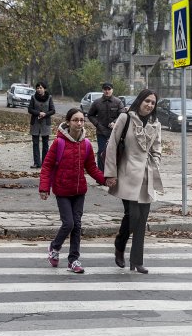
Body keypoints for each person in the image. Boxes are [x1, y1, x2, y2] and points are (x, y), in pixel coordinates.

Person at [38, 108, 109, 274]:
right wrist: (44, 188)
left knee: (77, 226)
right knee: (68, 223)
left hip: (79, 191)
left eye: (82, 120)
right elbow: (47, 166)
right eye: (75, 120)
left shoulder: (86, 144)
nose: (79, 123)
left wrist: (105, 180)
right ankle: (55, 247)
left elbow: (91, 167)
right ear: (68, 122)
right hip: (62, 190)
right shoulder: (59, 142)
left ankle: (73, 260)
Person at [104, 89, 163, 274]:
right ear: (140, 101)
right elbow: (112, 145)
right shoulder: (126, 118)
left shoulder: (155, 123)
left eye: (153, 102)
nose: (150, 105)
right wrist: (110, 173)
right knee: (133, 216)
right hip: (126, 173)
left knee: (142, 218)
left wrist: (155, 162)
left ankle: (137, 261)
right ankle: (120, 245)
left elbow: (157, 147)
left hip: (146, 175)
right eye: (147, 101)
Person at [88, 82, 125, 171]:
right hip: (101, 132)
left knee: (115, 152)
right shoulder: (97, 102)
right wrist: (97, 124)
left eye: (109, 89)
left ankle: (114, 172)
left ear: (112, 90)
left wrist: (115, 122)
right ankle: (101, 173)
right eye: (105, 89)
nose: (107, 91)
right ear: (102, 90)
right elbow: (90, 115)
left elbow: (123, 114)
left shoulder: (118, 102)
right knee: (101, 151)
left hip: (115, 132)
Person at [28, 82, 56, 168]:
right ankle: (37, 163)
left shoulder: (49, 98)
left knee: (45, 144)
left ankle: (45, 163)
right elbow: (30, 109)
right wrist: (38, 113)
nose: (39, 89)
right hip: (35, 123)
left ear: (44, 89)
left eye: (40, 88)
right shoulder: (33, 97)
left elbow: (53, 110)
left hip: (45, 124)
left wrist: (45, 114)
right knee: (35, 143)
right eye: (37, 88)